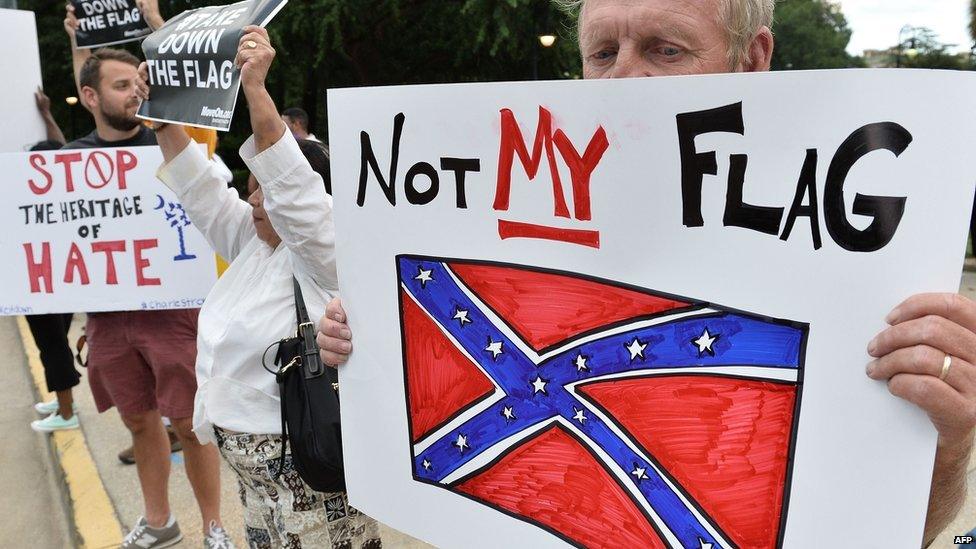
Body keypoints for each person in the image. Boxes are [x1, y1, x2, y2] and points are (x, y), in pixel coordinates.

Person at [316, 0, 976, 546]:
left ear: (753, 58)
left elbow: (874, 531)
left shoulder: (845, 259)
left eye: (665, 50)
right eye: (603, 53)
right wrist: (371, 341)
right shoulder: (502, 205)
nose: (623, 79)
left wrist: (942, 443)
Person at [138, 26, 381, 548]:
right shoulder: (255, 243)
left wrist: (255, 88)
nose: (251, 203)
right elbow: (201, 190)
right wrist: (163, 121)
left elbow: (292, 190)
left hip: (306, 471)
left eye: (262, 192)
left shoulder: (327, 252)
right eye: (249, 191)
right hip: (253, 483)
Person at [60, 42, 231, 548]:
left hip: (173, 310)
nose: (134, 93)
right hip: (110, 317)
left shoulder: (170, 145)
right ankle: (160, 522)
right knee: (137, 419)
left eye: (137, 83)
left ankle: (215, 527)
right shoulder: (69, 163)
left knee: (189, 419)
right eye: (120, 85)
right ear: (90, 96)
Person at [26, 89, 80, 432]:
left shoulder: (34, 201)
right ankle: (62, 401)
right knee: (54, 342)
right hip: (57, 279)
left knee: (52, 345)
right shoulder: (67, 191)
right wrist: (47, 115)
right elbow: (61, 148)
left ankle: (66, 412)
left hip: (41, 283)